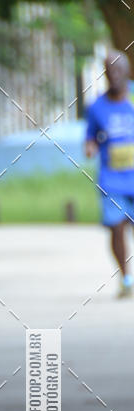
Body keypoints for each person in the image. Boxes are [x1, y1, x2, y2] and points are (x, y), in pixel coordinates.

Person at [85, 50, 134, 298]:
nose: (113, 75)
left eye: (118, 70)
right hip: (112, 179)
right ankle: (126, 277)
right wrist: (91, 146)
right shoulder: (96, 107)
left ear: (127, 71)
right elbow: (90, 136)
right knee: (116, 227)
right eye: (108, 71)